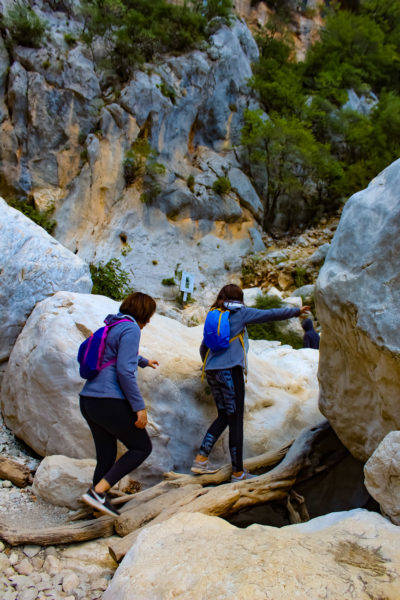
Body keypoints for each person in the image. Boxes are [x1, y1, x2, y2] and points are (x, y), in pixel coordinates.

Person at [191, 284, 310, 482]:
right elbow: (270, 314)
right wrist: (295, 311)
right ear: (239, 297)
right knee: (236, 420)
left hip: (212, 371)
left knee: (224, 416)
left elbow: (204, 347)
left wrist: (211, 365)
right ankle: (238, 473)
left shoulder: (214, 314)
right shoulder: (241, 313)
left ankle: (201, 459)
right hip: (231, 372)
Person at [80, 292, 158, 517]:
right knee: (142, 447)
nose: (149, 321)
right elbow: (124, 371)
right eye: (149, 315)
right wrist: (139, 407)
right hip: (108, 400)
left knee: (107, 453)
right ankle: (98, 492)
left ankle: (96, 507)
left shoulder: (112, 324)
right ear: (145, 313)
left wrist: (143, 361)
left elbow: (114, 353)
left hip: (88, 400)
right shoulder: (131, 328)